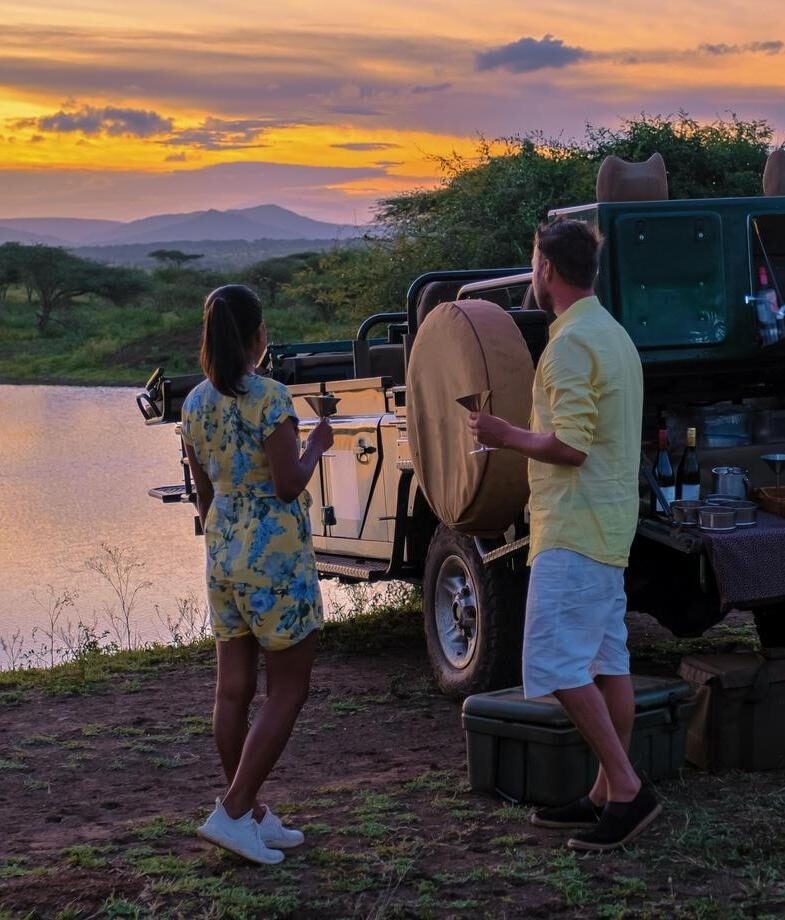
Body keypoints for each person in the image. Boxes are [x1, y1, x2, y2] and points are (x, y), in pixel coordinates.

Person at [469, 218, 657, 852]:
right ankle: (606, 792)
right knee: (607, 661)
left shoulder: (571, 344)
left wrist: (505, 436)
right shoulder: (612, 334)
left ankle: (627, 788)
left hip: (574, 526)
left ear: (544, 268)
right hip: (608, 523)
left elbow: (571, 445)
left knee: (554, 662)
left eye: (533, 263)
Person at [180, 283, 333, 865]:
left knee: (233, 690)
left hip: (223, 552)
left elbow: (204, 492)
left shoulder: (194, 404)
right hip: (275, 557)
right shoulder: (271, 397)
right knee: (288, 688)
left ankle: (251, 814)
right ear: (258, 336)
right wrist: (317, 443)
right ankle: (234, 810)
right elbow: (289, 482)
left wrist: (224, 534)